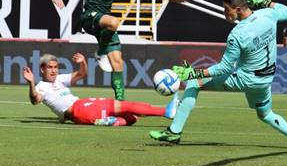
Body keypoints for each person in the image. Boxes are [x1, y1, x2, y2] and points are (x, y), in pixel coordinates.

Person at [149, 0, 287, 149]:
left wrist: (193, 73)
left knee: (195, 82)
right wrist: (263, 1)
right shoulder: (267, 14)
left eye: (227, 10)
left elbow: (225, 68)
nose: (225, 13)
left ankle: (174, 132)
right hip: (265, 81)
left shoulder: (237, 34)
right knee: (266, 114)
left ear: (238, 9)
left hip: (246, 79)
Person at [52, 0, 189, 101]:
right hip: (89, 18)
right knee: (114, 21)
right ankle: (101, 51)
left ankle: (120, 102)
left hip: (105, 26)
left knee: (117, 63)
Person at [22, 53, 179, 126]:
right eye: (50, 68)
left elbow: (82, 74)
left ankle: (108, 122)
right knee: (126, 105)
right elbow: (35, 100)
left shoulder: (59, 79)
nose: (54, 71)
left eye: (55, 67)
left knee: (132, 118)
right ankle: (166, 111)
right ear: (42, 69)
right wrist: (31, 83)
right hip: (79, 109)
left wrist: (83, 62)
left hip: (82, 107)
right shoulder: (40, 87)